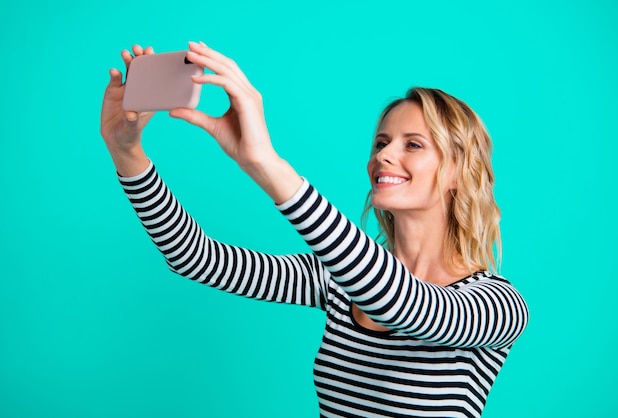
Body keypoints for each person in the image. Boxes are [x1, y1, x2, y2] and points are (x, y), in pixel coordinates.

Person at [100, 42, 529, 418]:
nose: (384, 156)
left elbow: (400, 303)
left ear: (457, 172)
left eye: (413, 144)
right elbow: (196, 258)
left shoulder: (498, 306)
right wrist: (127, 154)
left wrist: (266, 165)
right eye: (381, 143)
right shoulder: (336, 277)